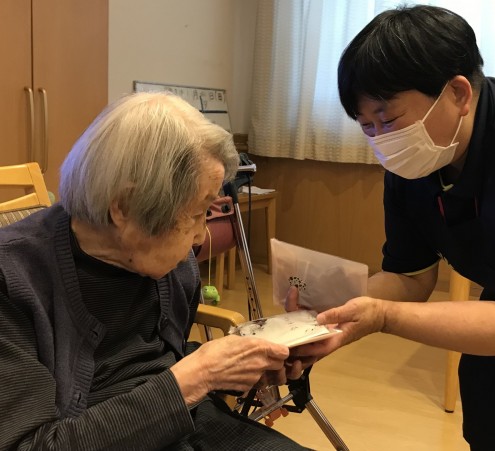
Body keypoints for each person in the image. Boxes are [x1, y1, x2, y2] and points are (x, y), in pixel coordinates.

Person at [289, 4, 495, 451]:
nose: (381, 140)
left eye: (388, 120)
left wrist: (382, 317)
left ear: (458, 93)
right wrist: (332, 307)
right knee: (491, 404)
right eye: (367, 127)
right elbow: (409, 277)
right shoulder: (415, 159)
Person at [0, 92, 309, 450]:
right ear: (124, 207)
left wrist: (238, 368)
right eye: (196, 214)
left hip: (185, 422)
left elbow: (156, 362)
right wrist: (197, 376)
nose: (201, 236)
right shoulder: (12, 281)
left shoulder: (172, 268)